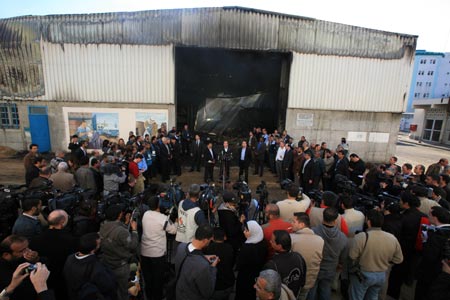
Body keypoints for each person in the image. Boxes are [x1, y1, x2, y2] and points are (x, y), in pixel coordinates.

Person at [348, 210, 403, 300]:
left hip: (363, 274)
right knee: (373, 296)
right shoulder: (392, 238)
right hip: (381, 275)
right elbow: (399, 259)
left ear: (368, 222)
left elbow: (352, 256)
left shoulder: (362, 236)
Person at [388, 191, 430, 299]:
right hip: (415, 251)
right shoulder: (423, 216)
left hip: (402, 248)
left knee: (396, 274)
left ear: (406, 203)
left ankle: (392, 293)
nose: (400, 203)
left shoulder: (403, 217)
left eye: (401, 201)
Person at [99, 205, 139, 300]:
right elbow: (133, 245)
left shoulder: (103, 225)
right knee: (123, 291)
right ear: (119, 215)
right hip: (121, 266)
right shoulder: (121, 231)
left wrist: (125, 223)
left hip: (107, 262)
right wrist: (134, 230)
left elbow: (116, 236)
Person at [140, 196, 177, 300]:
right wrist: (177, 221)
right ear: (158, 205)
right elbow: (173, 230)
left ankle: (149, 296)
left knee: (148, 279)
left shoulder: (145, 215)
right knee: (158, 280)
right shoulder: (162, 218)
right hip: (157, 254)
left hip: (145, 253)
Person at [64, 232, 117, 300]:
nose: (100, 245)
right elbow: (108, 285)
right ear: (92, 251)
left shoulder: (70, 258)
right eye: (99, 244)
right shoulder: (96, 267)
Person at [310, 208, 348, 300]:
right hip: (330, 269)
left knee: (311, 292)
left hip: (314, 267)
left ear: (323, 217)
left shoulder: (313, 232)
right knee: (326, 290)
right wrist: (340, 264)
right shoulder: (342, 237)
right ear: (335, 221)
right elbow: (343, 256)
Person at [174, 225, 218, 300]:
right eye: (210, 240)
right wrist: (213, 267)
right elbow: (208, 292)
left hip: (178, 292)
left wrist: (204, 257)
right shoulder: (203, 265)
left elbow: (189, 257)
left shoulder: (181, 246)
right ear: (205, 240)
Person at [415, 206, 450, 300]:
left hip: (430, 274)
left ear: (435, 217)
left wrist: (425, 242)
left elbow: (429, 257)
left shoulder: (437, 234)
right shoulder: (445, 231)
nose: (428, 216)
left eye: (429, 214)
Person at [290, 212, 324, 300]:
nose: (291, 224)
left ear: (301, 224)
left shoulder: (291, 239)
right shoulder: (320, 240)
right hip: (310, 280)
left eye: (293, 222)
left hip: (293, 281)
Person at [265, 230, 306, 298]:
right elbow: (302, 282)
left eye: (272, 241)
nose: (270, 242)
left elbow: (268, 289)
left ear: (279, 246)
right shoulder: (299, 257)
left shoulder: (272, 265)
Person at [0, 235, 40, 300]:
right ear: (6, 254)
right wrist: (12, 286)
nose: (28, 252)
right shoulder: (3, 271)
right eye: (22, 251)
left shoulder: (21, 258)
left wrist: (36, 259)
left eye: (27, 247)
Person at [235, 221, 268, 300]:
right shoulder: (263, 242)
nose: (245, 232)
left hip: (245, 277)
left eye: (247, 230)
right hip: (258, 274)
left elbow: (239, 264)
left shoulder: (247, 248)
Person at [204, 227, 236, 300]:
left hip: (214, 286)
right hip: (228, 283)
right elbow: (232, 263)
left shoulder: (208, 249)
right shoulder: (230, 248)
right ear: (224, 237)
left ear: (212, 237)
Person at [217, 191, 245, 256]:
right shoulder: (228, 215)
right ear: (227, 204)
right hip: (232, 242)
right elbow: (232, 231)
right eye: (233, 204)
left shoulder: (223, 209)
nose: (235, 205)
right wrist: (240, 222)